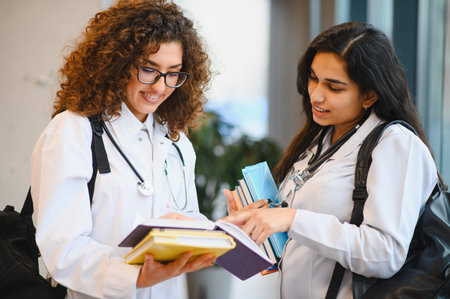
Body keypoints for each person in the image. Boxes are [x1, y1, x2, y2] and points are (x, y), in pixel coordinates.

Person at [222, 22, 439, 299]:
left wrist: (291, 218)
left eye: (334, 87)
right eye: (313, 78)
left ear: (370, 94)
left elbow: (384, 254)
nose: (316, 95)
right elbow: (301, 246)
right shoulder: (323, 139)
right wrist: (258, 221)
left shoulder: (395, 144)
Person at [30, 1, 216, 298]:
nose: (159, 87)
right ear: (117, 64)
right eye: (148, 69)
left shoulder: (177, 142)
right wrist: (135, 277)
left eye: (173, 73)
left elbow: (185, 219)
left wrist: (218, 231)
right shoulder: (73, 131)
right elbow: (62, 248)